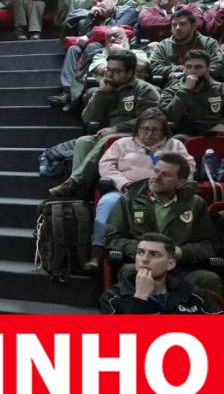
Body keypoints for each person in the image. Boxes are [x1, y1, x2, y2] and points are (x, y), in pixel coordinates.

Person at [88, 111, 194, 272]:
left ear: (163, 131)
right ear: (138, 129)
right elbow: (106, 166)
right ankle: (98, 252)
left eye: (155, 129)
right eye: (145, 128)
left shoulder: (175, 146)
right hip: (126, 191)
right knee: (107, 202)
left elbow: (188, 168)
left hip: (165, 192)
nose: (149, 133)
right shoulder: (122, 143)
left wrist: (174, 185)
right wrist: (124, 184)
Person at [106, 154, 222, 296]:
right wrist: (145, 251)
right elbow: (112, 237)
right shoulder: (129, 200)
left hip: (183, 268)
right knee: (131, 272)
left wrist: (181, 252)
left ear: (181, 182)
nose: (157, 177)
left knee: (208, 279)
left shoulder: (195, 204)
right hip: (143, 266)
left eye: (166, 174)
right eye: (156, 171)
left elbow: (209, 244)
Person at [50, 51, 160, 198]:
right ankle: (81, 195)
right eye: (108, 69)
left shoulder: (145, 90)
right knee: (83, 142)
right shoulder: (105, 89)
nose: (109, 74)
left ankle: (73, 183)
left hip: (137, 137)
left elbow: (148, 121)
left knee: (109, 139)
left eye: (116, 71)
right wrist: (101, 93)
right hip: (110, 135)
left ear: (130, 73)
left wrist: (116, 128)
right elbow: (87, 118)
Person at [52, 0, 140, 106]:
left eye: (100, 0)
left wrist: (89, 36)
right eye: (94, 3)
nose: (97, 5)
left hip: (116, 46)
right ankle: (66, 90)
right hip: (96, 45)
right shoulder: (94, 15)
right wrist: (90, 17)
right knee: (73, 49)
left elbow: (114, 30)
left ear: (113, 0)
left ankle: (80, 86)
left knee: (92, 46)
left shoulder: (128, 11)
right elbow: (82, 38)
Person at [100, 234, 222, 315]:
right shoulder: (112, 298)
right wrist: (140, 297)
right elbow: (122, 343)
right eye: (140, 252)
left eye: (154, 254)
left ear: (170, 264)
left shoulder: (193, 294)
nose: (145, 259)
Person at [159, 50, 224, 136]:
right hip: (183, 135)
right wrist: (185, 90)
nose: (192, 71)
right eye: (188, 67)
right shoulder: (171, 90)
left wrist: (222, 124)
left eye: (198, 67)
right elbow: (169, 116)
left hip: (214, 134)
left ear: (207, 70)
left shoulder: (220, 89)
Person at [148, 9, 222, 81]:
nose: (178, 28)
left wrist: (188, 74)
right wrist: (182, 69)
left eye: (182, 24)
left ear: (193, 26)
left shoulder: (208, 43)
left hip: (204, 86)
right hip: (172, 87)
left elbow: (218, 66)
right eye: (174, 25)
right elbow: (154, 67)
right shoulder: (163, 46)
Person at [137, 0, 205, 43]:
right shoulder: (148, 12)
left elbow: (198, 23)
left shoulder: (190, 8)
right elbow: (146, 24)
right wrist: (183, 22)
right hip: (159, 49)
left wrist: (161, 24)